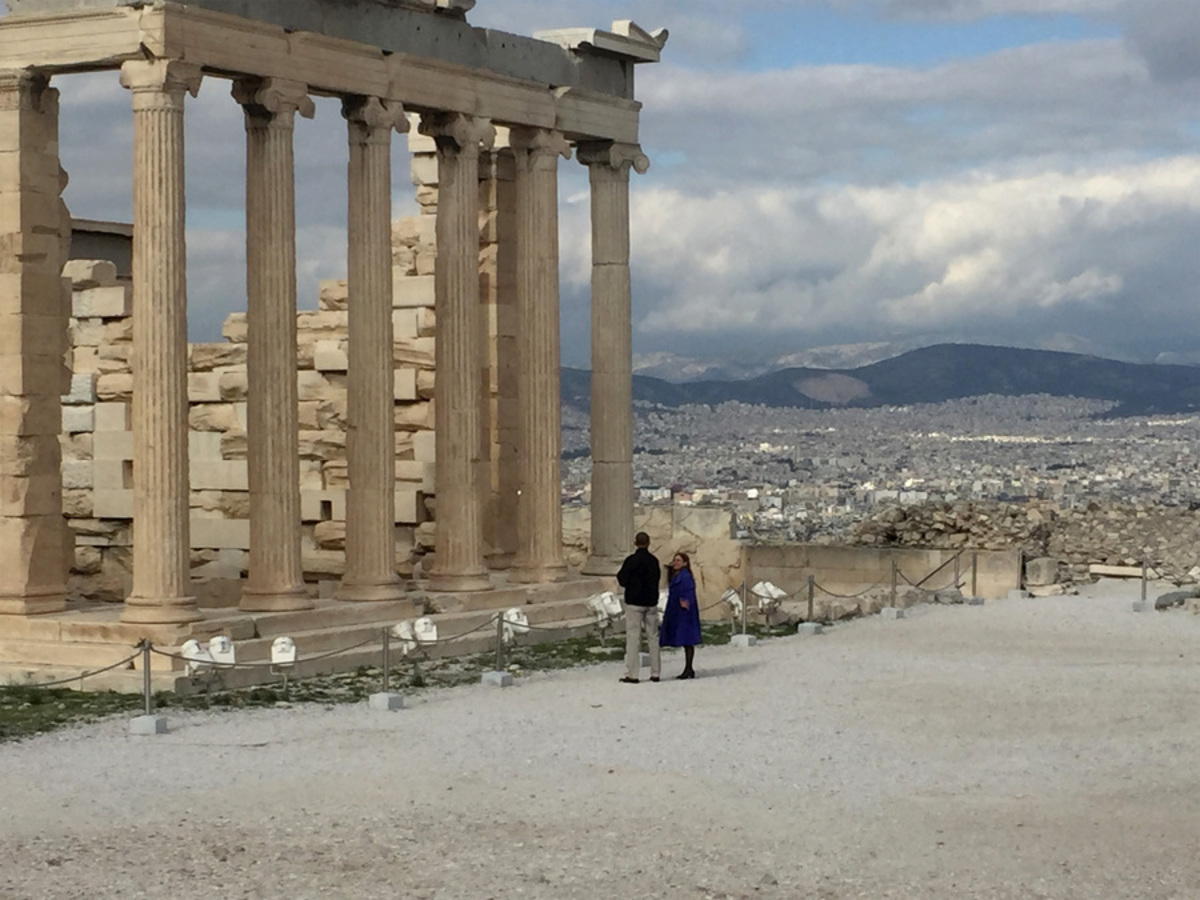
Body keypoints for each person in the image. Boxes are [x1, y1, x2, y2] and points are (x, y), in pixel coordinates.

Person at [615, 531, 661, 684]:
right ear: (648, 543)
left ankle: (633, 674)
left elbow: (622, 579)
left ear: (636, 543)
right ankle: (656, 672)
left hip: (635, 602)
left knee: (633, 638)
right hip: (651, 602)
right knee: (653, 637)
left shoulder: (631, 560)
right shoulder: (654, 561)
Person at [660, 551, 702, 679]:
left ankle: (689, 668)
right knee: (685, 641)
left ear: (685, 563)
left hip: (684, 611)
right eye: (675, 560)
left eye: (678, 560)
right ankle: (688, 668)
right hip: (676, 609)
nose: (675, 563)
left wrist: (685, 601)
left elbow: (688, 591)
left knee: (687, 639)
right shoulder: (677, 575)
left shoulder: (686, 576)